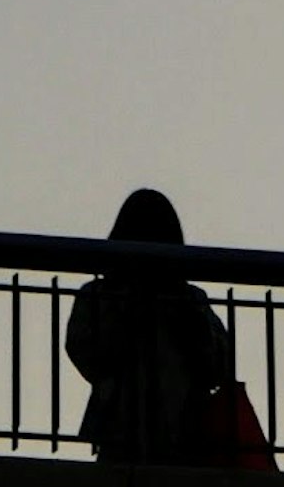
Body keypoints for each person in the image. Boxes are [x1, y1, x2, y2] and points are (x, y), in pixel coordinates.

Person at [65, 187, 265, 466]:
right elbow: (219, 364)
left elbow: (218, 364)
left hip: (172, 429)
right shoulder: (106, 296)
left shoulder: (182, 299)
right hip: (141, 428)